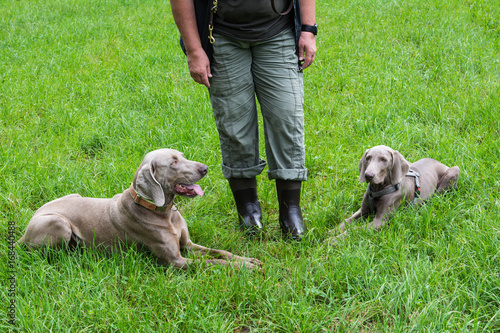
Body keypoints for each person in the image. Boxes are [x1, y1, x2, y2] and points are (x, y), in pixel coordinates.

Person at [170, 0, 317, 241]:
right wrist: (194, 49)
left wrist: (308, 29)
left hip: (278, 31)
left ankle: (291, 210)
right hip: (221, 35)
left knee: (286, 118)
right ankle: (248, 209)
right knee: (234, 124)